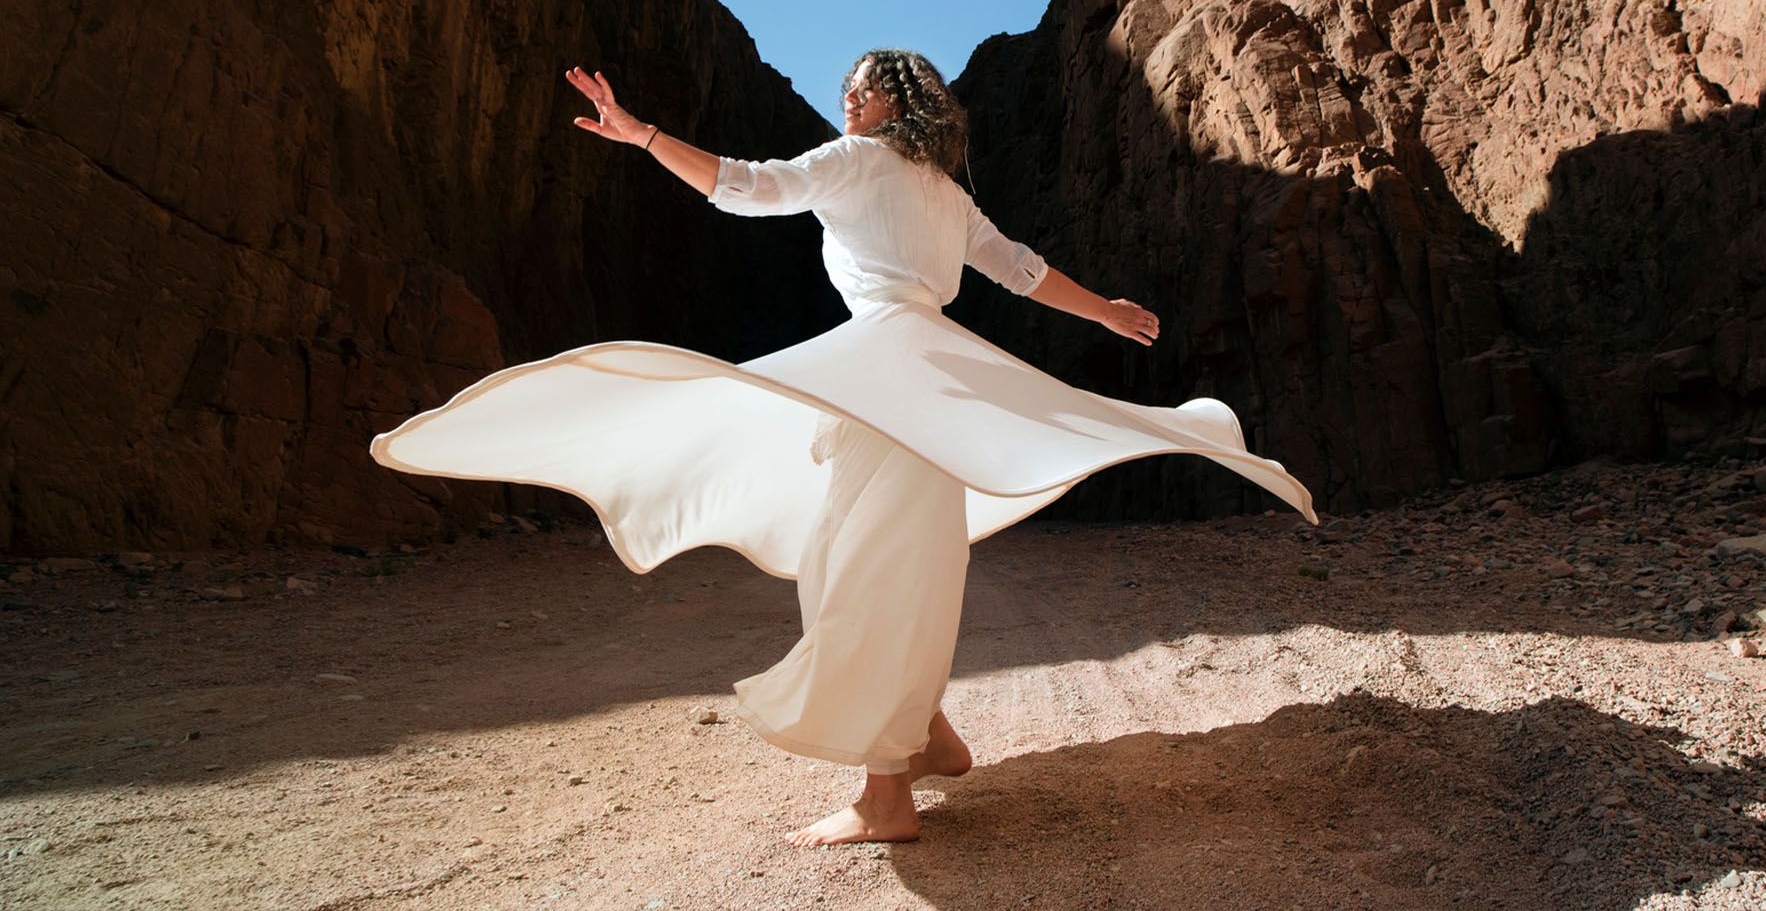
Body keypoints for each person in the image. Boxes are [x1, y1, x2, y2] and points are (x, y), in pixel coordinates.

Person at [369, 49, 1316, 848]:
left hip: (892, 376)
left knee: (861, 573)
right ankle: (930, 734)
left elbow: (749, 188)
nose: (846, 100)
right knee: (889, 561)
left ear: (897, 103)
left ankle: (885, 795)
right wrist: (1103, 309)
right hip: (927, 380)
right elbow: (1021, 272)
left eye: (861, 88)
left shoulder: (862, 161)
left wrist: (643, 135)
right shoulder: (945, 194)